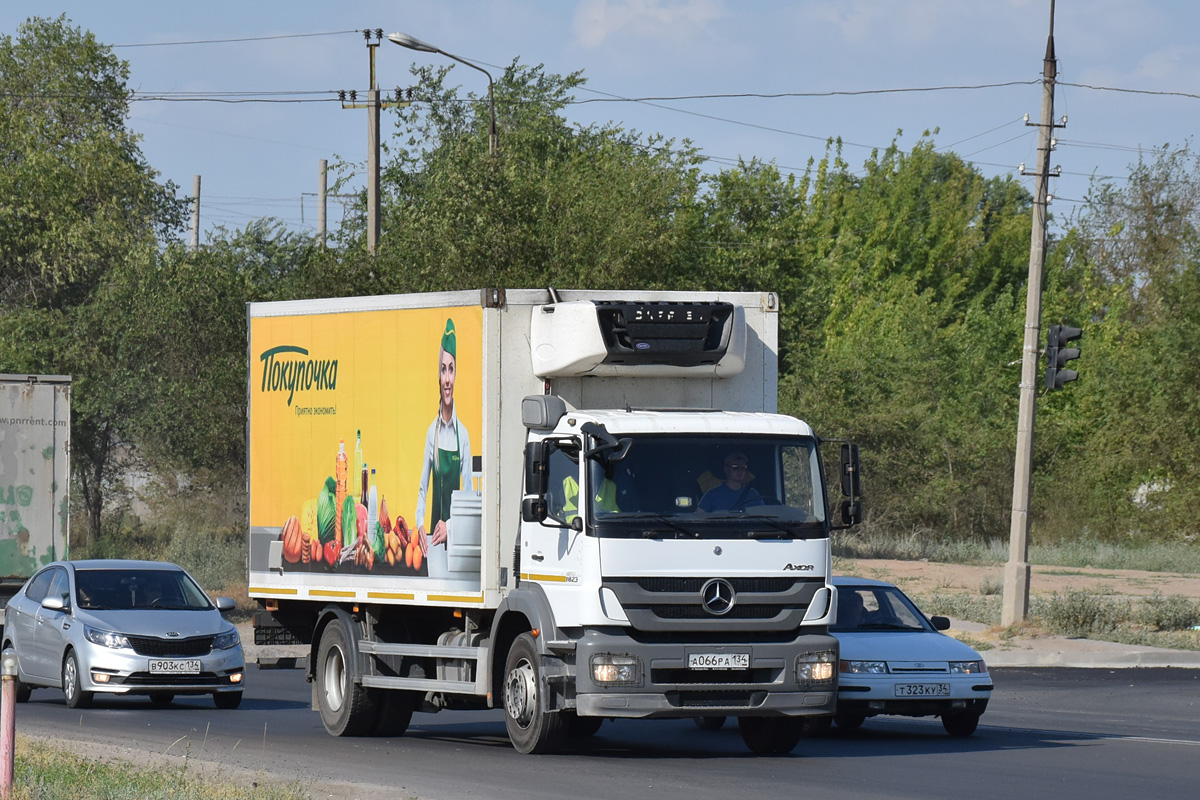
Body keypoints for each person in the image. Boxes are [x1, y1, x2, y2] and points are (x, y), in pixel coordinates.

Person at [415, 318, 473, 556]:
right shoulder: (432, 433)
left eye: (451, 369)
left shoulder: (464, 437)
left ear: (456, 374)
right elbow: (422, 490)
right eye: (443, 369)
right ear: (438, 376)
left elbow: (469, 500)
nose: (447, 379)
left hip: (456, 540)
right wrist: (420, 524)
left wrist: (449, 527)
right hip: (431, 541)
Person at [699, 451, 764, 512]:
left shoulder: (753, 495)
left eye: (743, 467)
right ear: (726, 469)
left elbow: (764, 516)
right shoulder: (712, 494)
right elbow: (698, 518)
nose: (740, 471)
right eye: (735, 467)